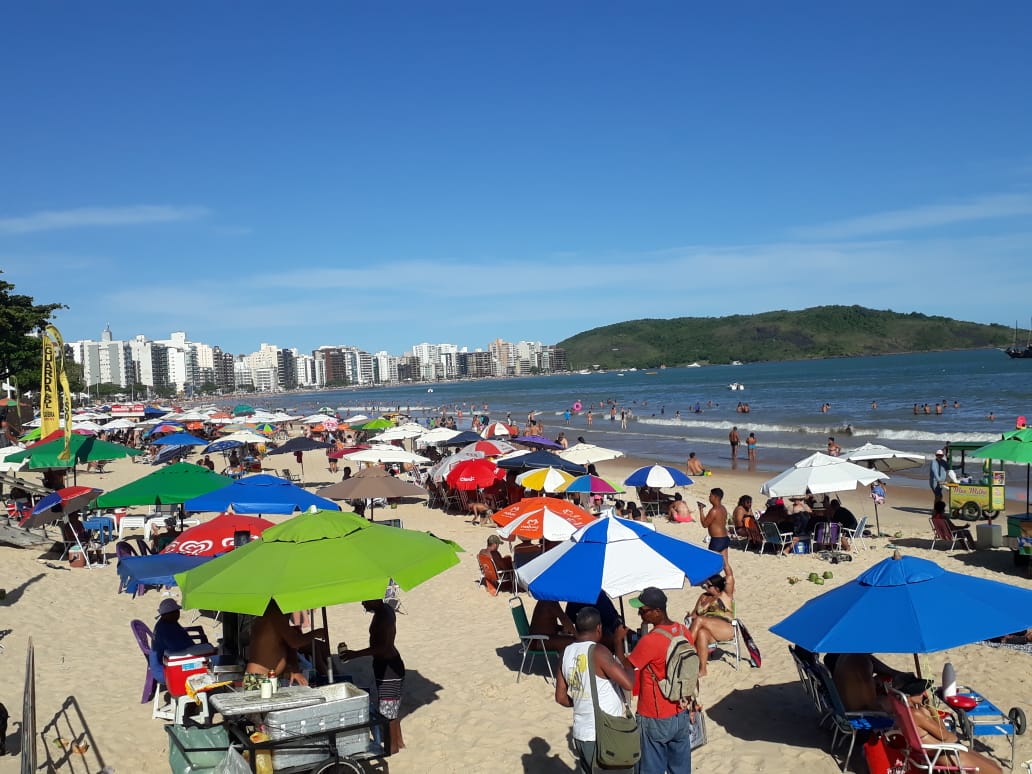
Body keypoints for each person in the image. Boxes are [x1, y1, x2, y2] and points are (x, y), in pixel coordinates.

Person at [616, 588, 695, 774]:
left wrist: (618, 640)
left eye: (643, 610)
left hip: (655, 715)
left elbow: (625, 665)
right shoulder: (683, 631)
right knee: (681, 769)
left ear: (657, 612)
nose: (639, 613)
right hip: (681, 710)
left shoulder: (650, 641)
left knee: (651, 768)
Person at [554, 606, 636, 774]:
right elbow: (628, 683)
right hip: (604, 734)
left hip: (581, 732)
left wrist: (581, 701)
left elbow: (561, 697)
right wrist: (625, 659)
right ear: (599, 628)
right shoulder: (598, 651)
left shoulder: (566, 653)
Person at [339, 600, 406, 754]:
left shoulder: (383, 617)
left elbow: (383, 647)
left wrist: (355, 654)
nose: (362, 603)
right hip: (389, 665)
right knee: (391, 709)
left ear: (375, 598)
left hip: (389, 669)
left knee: (387, 712)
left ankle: (392, 749)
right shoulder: (385, 610)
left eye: (365, 599)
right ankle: (399, 743)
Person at [901, 683, 1002, 774]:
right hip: (946, 753)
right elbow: (944, 734)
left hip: (939, 751)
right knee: (997, 771)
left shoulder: (904, 711)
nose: (923, 695)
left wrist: (928, 710)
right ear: (909, 697)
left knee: (992, 764)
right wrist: (931, 708)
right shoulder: (916, 714)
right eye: (919, 693)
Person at [246, 600, 329, 688]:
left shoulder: (280, 616)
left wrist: (295, 671)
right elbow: (294, 642)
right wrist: (316, 633)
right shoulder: (274, 611)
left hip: (269, 677)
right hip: (259, 678)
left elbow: (289, 646)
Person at [688, 569, 735, 677]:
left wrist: (724, 561)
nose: (705, 586)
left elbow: (730, 576)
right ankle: (703, 669)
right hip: (707, 629)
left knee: (699, 620)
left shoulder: (725, 595)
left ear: (717, 588)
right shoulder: (703, 596)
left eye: (708, 585)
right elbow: (694, 614)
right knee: (701, 633)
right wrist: (688, 617)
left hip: (724, 627)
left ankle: (687, 648)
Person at [151, 598, 205, 682]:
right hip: (166, 669)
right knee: (205, 667)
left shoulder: (169, 622)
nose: (178, 613)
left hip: (171, 661)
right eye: (176, 611)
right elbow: (179, 652)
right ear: (168, 614)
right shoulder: (165, 630)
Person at [698, 487, 730, 569]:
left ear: (715, 497)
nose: (709, 497)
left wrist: (701, 510)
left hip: (717, 540)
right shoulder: (723, 508)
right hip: (724, 538)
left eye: (710, 496)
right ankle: (730, 579)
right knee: (725, 564)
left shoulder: (714, 510)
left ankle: (710, 580)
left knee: (709, 563)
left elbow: (704, 524)